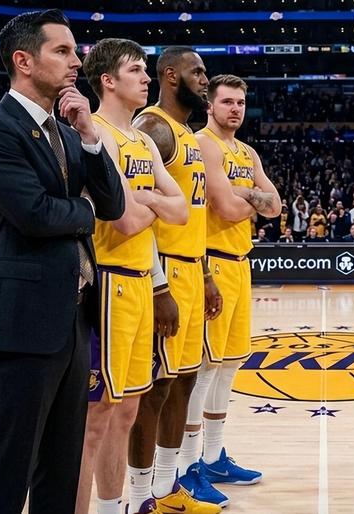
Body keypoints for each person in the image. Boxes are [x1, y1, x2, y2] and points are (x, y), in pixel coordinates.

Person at [0, 10, 124, 514]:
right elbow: (36, 214)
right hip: (21, 324)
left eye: (75, 50)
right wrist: (84, 210)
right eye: (62, 51)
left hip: (72, 319)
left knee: (61, 470)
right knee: (8, 472)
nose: (76, 61)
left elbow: (114, 205)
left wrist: (89, 135)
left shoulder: (66, 132)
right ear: (23, 61)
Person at [77, 38, 189, 514]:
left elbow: (181, 211)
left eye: (146, 69)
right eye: (136, 70)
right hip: (108, 282)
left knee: (126, 410)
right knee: (96, 418)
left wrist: (145, 201)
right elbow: (123, 220)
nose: (146, 78)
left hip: (142, 280)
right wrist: (150, 205)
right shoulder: (95, 133)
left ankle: (115, 507)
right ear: (107, 80)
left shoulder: (142, 141)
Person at [128, 46, 224, 513]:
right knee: (156, 389)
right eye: (196, 72)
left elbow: (195, 216)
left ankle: (167, 491)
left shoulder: (186, 132)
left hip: (190, 269)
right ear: (170, 75)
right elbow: (138, 212)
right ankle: (138, 496)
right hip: (162, 271)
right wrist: (159, 285)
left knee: (184, 381)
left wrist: (204, 274)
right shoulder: (153, 128)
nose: (204, 80)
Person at [179, 74, 281, 495]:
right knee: (204, 368)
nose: (235, 109)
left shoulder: (247, 151)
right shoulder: (203, 144)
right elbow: (223, 206)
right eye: (227, 102)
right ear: (210, 105)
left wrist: (244, 194)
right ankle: (187, 465)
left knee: (229, 366)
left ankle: (213, 456)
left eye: (240, 102)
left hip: (241, 263)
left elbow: (275, 206)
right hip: (211, 263)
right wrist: (250, 194)